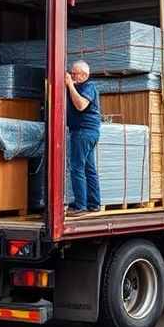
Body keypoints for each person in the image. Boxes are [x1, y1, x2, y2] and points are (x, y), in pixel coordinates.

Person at [64, 60, 101, 216]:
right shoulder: (80, 87)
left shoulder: (89, 87)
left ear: (85, 75)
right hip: (86, 132)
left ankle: (81, 205)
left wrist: (69, 85)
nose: (72, 76)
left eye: (75, 73)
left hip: (84, 132)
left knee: (77, 168)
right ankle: (93, 203)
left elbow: (80, 105)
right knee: (89, 168)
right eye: (71, 73)